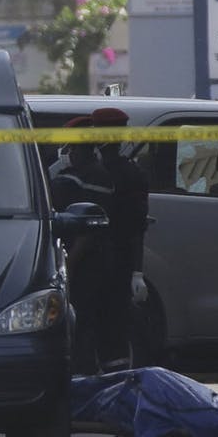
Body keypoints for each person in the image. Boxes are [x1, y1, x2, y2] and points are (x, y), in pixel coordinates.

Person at [48, 116, 117, 376]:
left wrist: (70, 263)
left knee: (84, 321)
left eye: (71, 148)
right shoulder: (76, 174)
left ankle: (85, 376)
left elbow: (88, 228)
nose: (68, 154)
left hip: (88, 262)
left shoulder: (95, 177)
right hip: (76, 259)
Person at [91, 107, 151, 370]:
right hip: (104, 259)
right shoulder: (103, 170)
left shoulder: (125, 174)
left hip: (113, 259)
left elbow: (136, 225)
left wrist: (137, 271)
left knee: (112, 327)